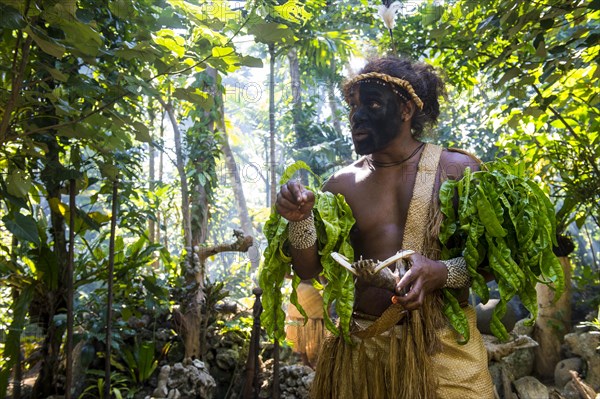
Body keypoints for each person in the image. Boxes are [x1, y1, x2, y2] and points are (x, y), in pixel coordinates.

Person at [275, 56, 495, 398]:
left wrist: (441, 272)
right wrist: (300, 220)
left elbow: (493, 263)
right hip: (361, 353)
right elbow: (310, 269)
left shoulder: (457, 170)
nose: (357, 116)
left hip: (442, 348)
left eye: (373, 103)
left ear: (406, 110)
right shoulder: (342, 184)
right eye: (353, 106)